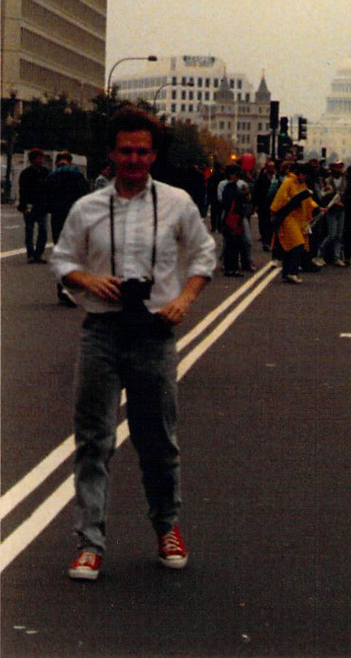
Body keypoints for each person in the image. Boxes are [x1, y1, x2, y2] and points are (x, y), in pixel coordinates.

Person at [50, 108, 216, 581]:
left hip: (154, 332)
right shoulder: (88, 208)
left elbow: (204, 255)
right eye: (125, 151)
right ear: (111, 153)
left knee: (157, 438)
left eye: (142, 151)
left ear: (154, 154)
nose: (134, 160)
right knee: (93, 439)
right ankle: (89, 543)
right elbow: (62, 260)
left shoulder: (177, 203)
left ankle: (167, 527)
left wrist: (185, 299)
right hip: (102, 332)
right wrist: (88, 279)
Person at [47, 151, 90, 305]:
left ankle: (62, 286)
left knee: (60, 250)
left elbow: (45, 195)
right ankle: (72, 285)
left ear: (57, 162)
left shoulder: (52, 176)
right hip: (74, 216)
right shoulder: (78, 176)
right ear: (70, 161)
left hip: (57, 216)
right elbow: (86, 194)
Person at [270, 163, 319, 283]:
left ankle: (287, 273)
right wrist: (294, 201)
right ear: (300, 173)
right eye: (305, 175)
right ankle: (292, 272)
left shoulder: (302, 185)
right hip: (288, 218)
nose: (305, 178)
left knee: (290, 246)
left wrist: (316, 207)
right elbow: (280, 199)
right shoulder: (288, 182)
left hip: (298, 219)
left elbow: (308, 201)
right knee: (298, 244)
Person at [18, 147, 50, 263]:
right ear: (32, 160)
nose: (40, 160)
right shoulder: (26, 174)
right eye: (38, 158)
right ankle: (30, 254)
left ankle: (39, 254)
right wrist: (24, 207)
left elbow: (49, 190)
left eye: (41, 158)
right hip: (30, 205)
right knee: (29, 231)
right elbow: (22, 191)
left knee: (43, 231)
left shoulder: (46, 172)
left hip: (42, 205)